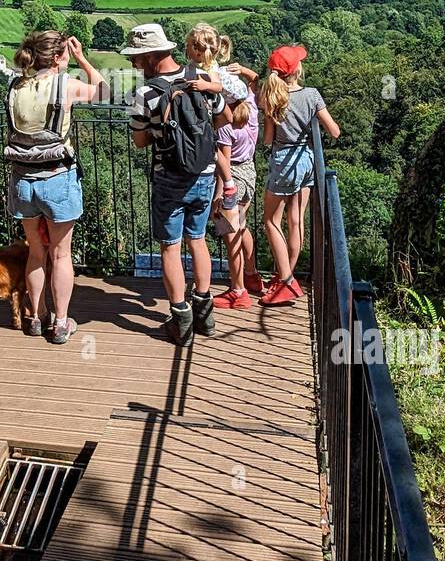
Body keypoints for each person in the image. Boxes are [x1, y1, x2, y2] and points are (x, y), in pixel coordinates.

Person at [124, 23, 232, 346]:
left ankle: (181, 320)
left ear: (150, 56)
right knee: (198, 240)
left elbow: (140, 141)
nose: (133, 64)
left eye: (137, 58)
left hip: (170, 177)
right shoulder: (199, 80)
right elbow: (225, 118)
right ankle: (205, 313)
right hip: (204, 172)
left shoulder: (146, 94)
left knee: (170, 247)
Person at [3, 30, 105, 345]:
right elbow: (103, 91)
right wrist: (83, 59)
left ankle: (36, 316)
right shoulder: (66, 86)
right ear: (60, 56)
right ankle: (60, 323)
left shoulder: (14, 87)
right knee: (61, 255)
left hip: (22, 180)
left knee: (36, 252)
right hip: (57, 177)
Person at [258, 45, 341, 307]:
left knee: (270, 221)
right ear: (296, 70)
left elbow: (268, 139)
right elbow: (335, 131)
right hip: (306, 159)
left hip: (284, 159)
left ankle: (285, 280)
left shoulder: (272, 97)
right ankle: (287, 275)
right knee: (296, 220)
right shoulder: (312, 95)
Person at [213, 62, 264, 309]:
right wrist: (244, 71)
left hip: (232, 177)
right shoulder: (252, 109)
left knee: (230, 234)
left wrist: (219, 193)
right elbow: (257, 83)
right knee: (242, 226)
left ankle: (238, 291)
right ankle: (252, 275)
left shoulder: (226, 125)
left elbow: (223, 159)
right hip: (250, 172)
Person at [184, 23, 249, 212]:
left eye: (188, 45)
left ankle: (229, 184)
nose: (185, 48)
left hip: (210, 117)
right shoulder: (200, 64)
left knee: (214, 150)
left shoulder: (210, 67)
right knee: (212, 149)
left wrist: (203, 86)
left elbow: (218, 87)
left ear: (197, 50)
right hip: (207, 115)